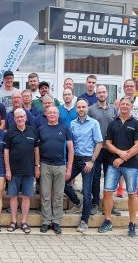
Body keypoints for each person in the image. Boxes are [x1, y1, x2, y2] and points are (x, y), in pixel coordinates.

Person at [98, 96, 138, 237]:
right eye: (123, 104)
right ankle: (108, 221)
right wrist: (120, 153)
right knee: (108, 192)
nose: (125, 106)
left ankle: (132, 224)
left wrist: (121, 159)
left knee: (132, 194)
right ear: (118, 106)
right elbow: (107, 143)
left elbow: (137, 146)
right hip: (112, 164)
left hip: (131, 165)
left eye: (127, 104)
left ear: (131, 107)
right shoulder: (112, 123)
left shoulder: (136, 123)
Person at [65, 98, 103, 233]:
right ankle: (76, 202)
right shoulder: (72, 124)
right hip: (75, 160)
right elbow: (70, 143)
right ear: (76, 109)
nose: (81, 109)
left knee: (87, 192)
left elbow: (99, 143)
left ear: (87, 108)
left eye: (83, 107)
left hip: (88, 161)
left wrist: (92, 161)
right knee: (62, 182)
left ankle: (84, 221)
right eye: (79, 107)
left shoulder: (94, 123)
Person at [38, 106, 73, 234]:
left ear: (58, 115)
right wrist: (37, 166)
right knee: (45, 195)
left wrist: (69, 168)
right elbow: (37, 149)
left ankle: (56, 221)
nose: (52, 114)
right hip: (45, 165)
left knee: (58, 195)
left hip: (60, 165)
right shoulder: (41, 129)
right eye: (50, 112)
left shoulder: (64, 128)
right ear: (46, 114)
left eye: (54, 112)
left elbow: (71, 149)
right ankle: (46, 221)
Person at [5, 108, 39, 234]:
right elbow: (6, 152)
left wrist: (37, 166)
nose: (20, 119)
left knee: (26, 197)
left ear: (26, 117)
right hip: (13, 171)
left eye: (22, 117)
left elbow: (36, 150)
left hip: (29, 170)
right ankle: (13, 221)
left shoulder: (33, 131)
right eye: (17, 117)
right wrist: (7, 169)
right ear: (14, 119)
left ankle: (24, 222)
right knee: (13, 197)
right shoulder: (9, 133)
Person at [88, 85, 119, 215]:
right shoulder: (91, 110)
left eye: (104, 92)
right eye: (99, 92)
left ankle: (109, 205)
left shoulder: (114, 109)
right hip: (96, 148)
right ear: (96, 95)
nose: (101, 94)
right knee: (95, 177)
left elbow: (118, 127)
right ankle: (95, 202)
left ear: (107, 93)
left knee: (109, 177)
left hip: (110, 149)